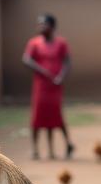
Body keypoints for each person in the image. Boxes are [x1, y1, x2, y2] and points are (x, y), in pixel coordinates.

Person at [23, 14, 74, 160]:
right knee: (38, 116)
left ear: (52, 26)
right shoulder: (34, 43)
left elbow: (67, 62)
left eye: (43, 24)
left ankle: (56, 148)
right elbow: (26, 59)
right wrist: (41, 70)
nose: (40, 27)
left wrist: (61, 77)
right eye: (39, 24)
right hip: (41, 85)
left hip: (55, 85)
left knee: (55, 116)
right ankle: (35, 149)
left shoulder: (61, 43)